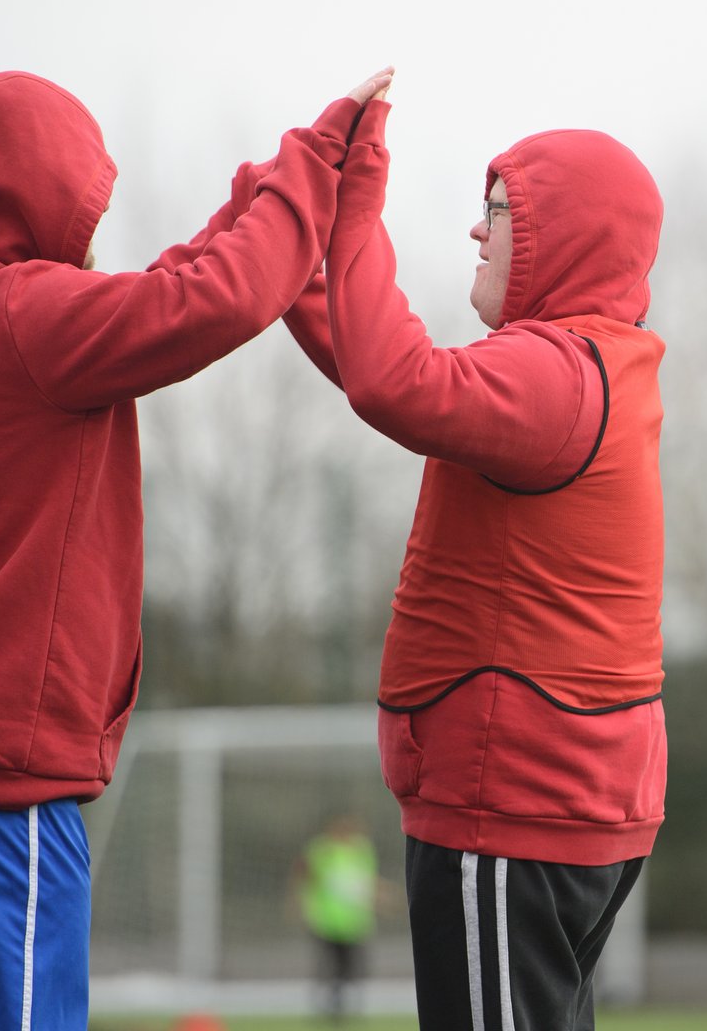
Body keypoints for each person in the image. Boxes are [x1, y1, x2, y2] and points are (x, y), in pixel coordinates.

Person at [0, 65, 393, 1031]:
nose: (91, 229)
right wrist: (310, 169)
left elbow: (164, 288)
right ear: (35, 191)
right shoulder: (24, 316)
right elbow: (211, 305)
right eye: (82, 200)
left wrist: (253, 200)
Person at [284, 86, 667, 1029]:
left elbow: (396, 382)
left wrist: (355, 199)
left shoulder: (554, 371)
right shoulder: (582, 363)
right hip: (557, 801)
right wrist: (294, 247)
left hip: (516, 800)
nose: (475, 231)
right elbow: (393, 366)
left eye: (498, 210)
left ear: (564, 237)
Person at [294, 814, 381, 1021]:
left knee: (351, 968)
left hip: (355, 923)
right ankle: (329, 1006)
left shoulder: (362, 850)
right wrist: (301, 903)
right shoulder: (322, 849)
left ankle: (344, 1006)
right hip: (327, 922)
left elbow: (365, 882)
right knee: (329, 966)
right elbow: (304, 874)